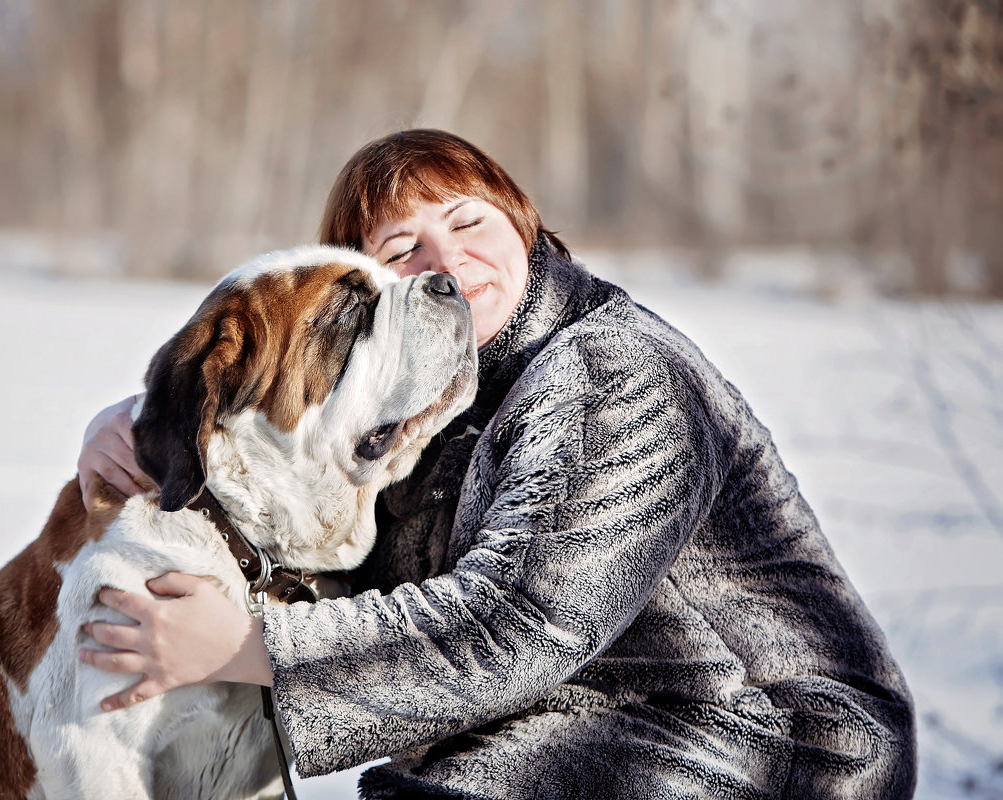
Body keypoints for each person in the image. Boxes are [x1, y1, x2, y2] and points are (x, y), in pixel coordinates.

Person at [77, 129, 917, 799]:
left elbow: (518, 621)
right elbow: (360, 575)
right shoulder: (438, 402)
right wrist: (156, 432)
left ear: (523, 224)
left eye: (470, 222)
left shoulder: (610, 372)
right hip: (589, 716)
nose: (446, 261)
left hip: (781, 742)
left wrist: (250, 647)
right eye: (402, 249)